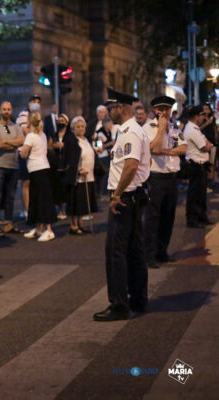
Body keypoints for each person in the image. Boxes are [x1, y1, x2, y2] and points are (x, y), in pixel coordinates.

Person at [93, 88, 150, 322]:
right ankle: (138, 299)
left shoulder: (130, 132)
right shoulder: (128, 130)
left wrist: (116, 195)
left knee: (116, 251)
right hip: (131, 197)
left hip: (125, 199)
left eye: (112, 107)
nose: (109, 112)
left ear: (123, 108)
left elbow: (131, 166)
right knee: (134, 250)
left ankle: (119, 305)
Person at [142, 96, 186, 268]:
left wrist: (167, 151)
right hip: (156, 177)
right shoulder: (148, 128)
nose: (167, 113)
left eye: (168, 109)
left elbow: (184, 148)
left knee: (168, 217)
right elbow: (154, 148)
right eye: (163, 110)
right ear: (156, 111)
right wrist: (161, 130)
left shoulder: (174, 126)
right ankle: (149, 255)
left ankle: (162, 251)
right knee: (153, 217)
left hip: (171, 176)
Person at [20, 112, 56, 242]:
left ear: (30, 121)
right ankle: (39, 228)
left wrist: (20, 150)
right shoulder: (43, 135)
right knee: (37, 199)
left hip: (37, 169)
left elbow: (24, 154)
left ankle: (49, 230)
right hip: (42, 169)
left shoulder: (30, 136)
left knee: (42, 199)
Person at [0, 101, 24, 236]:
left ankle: (9, 224)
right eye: (4, 109)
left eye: (9, 109)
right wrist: (13, 144)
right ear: (0, 110)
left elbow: (22, 141)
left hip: (13, 166)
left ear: (11, 111)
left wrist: (4, 142)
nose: (6, 111)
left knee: (10, 196)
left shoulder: (16, 126)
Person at [62, 116, 98, 234]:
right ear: (73, 128)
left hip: (89, 175)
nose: (81, 128)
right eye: (78, 126)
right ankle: (73, 226)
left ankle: (81, 224)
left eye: (82, 126)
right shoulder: (71, 140)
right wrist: (77, 170)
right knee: (75, 201)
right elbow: (68, 159)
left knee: (82, 202)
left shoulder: (86, 139)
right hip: (77, 177)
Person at [184, 105, 213, 228]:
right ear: (196, 116)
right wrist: (208, 145)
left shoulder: (194, 128)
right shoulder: (192, 130)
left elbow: (207, 143)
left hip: (200, 165)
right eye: (202, 115)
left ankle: (201, 217)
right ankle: (192, 219)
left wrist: (208, 144)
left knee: (200, 194)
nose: (203, 117)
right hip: (195, 165)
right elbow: (205, 146)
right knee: (195, 194)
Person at [16, 95, 42, 220]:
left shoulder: (37, 116)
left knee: (34, 183)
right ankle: (26, 211)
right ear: (29, 103)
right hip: (24, 152)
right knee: (26, 182)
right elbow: (26, 132)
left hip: (36, 153)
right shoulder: (24, 114)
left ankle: (33, 209)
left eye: (38, 102)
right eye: (34, 101)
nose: (36, 103)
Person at [48, 113, 69, 220]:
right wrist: (54, 145)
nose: (60, 122)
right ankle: (61, 209)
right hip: (56, 164)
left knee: (67, 187)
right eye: (59, 120)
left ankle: (68, 208)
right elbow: (49, 146)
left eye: (62, 120)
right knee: (58, 187)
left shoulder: (69, 134)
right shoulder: (54, 134)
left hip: (67, 164)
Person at [93, 116, 116, 195]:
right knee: (107, 173)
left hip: (107, 155)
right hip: (102, 157)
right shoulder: (100, 134)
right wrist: (110, 143)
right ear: (105, 124)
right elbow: (99, 148)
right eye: (110, 123)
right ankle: (103, 192)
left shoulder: (109, 132)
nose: (112, 125)